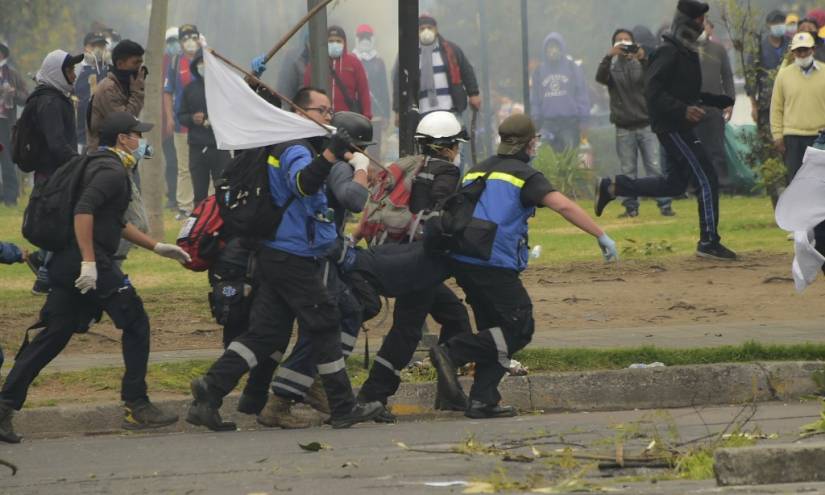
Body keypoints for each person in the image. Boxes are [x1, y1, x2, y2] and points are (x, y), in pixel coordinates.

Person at [186, 87, 383, 432]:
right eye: (322, 111)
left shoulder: (296, 145)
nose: (328, 117)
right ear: (300, 113)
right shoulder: (293, 147)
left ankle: (210, 390)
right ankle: (342, 407)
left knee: (264, 334)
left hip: (278, 253)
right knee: (324, 322)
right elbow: (303, 185)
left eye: (328, 110)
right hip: (292, 255)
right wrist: (332, 156)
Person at [0, 112, 188, 443]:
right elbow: (83, 210)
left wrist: (156, 246)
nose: (140, 139)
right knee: (135, 322)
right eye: (135, 134)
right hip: (88, 261)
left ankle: (3, 407)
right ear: (121, 139)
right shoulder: (112, 170)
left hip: (67, 262)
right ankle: (137, 405)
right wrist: (89, 261)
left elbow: (112, 220)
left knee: (53, 335)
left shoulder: (96, 161)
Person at [429, 113, 617, 419]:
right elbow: (562, 205)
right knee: (520, 328)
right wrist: (601, 235)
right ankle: (452, 352)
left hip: (464, 259)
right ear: (530, 143)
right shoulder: (524, 175)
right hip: (493, 262)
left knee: (495, 332)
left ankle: (483, 399)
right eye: (536, 141)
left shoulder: (476, 170)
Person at [595, 0, 737, 261]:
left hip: (679, 125)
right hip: (672, 127)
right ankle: (709, 241)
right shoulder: (669, 52)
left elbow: (686, 93)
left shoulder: (686, 51)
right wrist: (682, 110)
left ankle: (613, 188)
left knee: (673, 185)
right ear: (687, 22)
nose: (702, 25)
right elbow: (653, 92)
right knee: (707, 178)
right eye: (698, 21)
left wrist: (717, 100)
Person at [355, 111, 473, 419]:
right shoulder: (446, 172)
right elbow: (438, 214)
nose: (457, 152)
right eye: (456, 146)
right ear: (447, 146)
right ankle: (372, 395)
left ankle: (449, 391)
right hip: (418, 263)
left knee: (455, 316)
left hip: (397, 254)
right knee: (407, 331)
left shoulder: (408, 166)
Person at [260, 109, 373, 429]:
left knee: (344, 315)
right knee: (325, 323)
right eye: (364, 148)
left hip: (318, 252)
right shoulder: (339, 166)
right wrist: (361, 171)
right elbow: (352, 199)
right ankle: (289, 393)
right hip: (317, 254)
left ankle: (314, 382)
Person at [595, 28, 673, 218]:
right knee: (628, 170)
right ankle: (631, 207)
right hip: (623, 126)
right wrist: (608, 56)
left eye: (626, 40)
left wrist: (641, 56)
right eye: (619, 40)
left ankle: (665, 205)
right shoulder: (612, 68)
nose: (623, 43)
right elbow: (600, 78)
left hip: (646, 124)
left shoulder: (641, 64)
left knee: (654, 166)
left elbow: (654, 76)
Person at [24, 49, 83, 295]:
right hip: (52, 173)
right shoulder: (49, 102)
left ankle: (42, 266)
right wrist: (78, 164)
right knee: (55, 223)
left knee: (59, 222)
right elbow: (56, 142)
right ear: (55, 72)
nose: (73, 74)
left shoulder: (56, 97)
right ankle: (45, 279)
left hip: (57, 170)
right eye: (68, 70)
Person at [394, 14, 480, 122]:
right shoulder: (408, 54)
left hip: (449, 109)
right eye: (422, 29)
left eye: (429, 28)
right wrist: (398, 110)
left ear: (436, 29)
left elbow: (466, 71)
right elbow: (399, 82)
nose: (426, 31)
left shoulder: (451, 50)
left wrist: (473, 94)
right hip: (421, 114)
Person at [770, 32, 825, 183]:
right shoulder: (784, 75)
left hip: (820, 137)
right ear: (793, 52)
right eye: (798, 51)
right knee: (795, 181)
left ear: (812, 50)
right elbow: (776, 107)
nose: (802, 54)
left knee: (819, 182)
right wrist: (777, 135)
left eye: (805, 50)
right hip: (792, 137)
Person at [176, 52, 230, 205]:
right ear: (195, 67)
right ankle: (200, 225)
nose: (203, 66)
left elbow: (233, 111)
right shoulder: (190, 89)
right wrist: (192, 119)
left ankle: (223, 224)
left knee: (224, 189)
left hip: (220, 146)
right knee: (199, 194)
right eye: (200, 63)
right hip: (197, 148)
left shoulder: (222, 87)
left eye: (206, 63)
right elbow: (180, 115)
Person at [530, 32, 590, 153]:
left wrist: (584, 120)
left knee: (569, 161)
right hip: (546, 124)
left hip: (569, 124)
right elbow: (535, 99)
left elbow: (582, 95)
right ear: (545, 50)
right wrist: (535, 120)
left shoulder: (572, 68)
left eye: (556, 46)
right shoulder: (539, 72)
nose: (553, 50)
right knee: (543, 159)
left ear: (562, 48)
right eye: (550, 47)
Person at [164, 23, 201, 219]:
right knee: (184, 166)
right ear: (180, 42)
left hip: (205, 125)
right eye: (185, 37)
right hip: (182, 124)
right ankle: (185, 206)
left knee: (206, 162)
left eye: (192, 36)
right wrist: (169, 117)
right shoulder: (175, 62)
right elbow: (168, 92)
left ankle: (209, 201)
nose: (189, 41)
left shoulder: (206, 58)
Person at [696, 19, 735, 190]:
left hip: (715, 106)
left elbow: (727, 76)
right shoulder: (685, 51)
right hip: (692, 108)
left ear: (711, 29)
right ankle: (695, 185)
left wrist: (730, 101)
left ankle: (722, 183)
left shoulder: (718, 50)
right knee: (695, 148)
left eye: (704, 25)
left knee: (717, 148)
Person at [87, 40, 145, 150]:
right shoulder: (109, 89)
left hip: (122, 151)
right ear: (120, 64)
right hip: (104, 155)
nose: (140, 68)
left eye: (141, 63)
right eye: (135, 63)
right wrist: (137, 92)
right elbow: (125, 123)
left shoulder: (125, 86)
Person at [303, 26, 372, 119]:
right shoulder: (316, 63)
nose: (335, 44)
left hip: (348, 119)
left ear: (344, 43)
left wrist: (367, 116)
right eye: (331, 41)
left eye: (338, 41)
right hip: (321, 118)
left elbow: (364, 92)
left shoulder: (354, 63)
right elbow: (306, 91)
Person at [352, 24, 390, 159]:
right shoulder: (352, 60)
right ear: (357, 39)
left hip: (376, 114)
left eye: (367, 37)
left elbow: (384, 89)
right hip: (356, 113)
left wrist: (387, 114)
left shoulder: (379, 62)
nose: (365, 40)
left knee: (375, 149)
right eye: (362, 37)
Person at [747, 10, 789, 129]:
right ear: (768, 25)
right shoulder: (759, 46)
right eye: (775, 22)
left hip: (790, 102)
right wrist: (754, 106)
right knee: (769, 142)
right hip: (766, 103)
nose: (779, 25)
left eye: (781, 22)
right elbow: (751, 78)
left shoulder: (791, 44)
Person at [0, 40, 28, 206]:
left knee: (7, 160)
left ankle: (10, 198)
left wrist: (13, 92)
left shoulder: (12, 75)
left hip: (5, 124)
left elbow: (26, 97)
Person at [75, 32, 108, 154]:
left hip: (106, 135)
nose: (98, 49)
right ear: (86, 47)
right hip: (81, 135)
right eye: (94, 45)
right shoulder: (76, 68)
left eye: (101, 45)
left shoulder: (109, 69)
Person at [162, 27, 180, 210]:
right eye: (169, 42)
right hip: (166, 124)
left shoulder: (184, 62)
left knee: (183, 163)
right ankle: (172, 197)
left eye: (174, 41)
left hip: (184, 122)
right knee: (171, 162)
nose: (172, 45)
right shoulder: (162, 64)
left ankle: (181, 197)